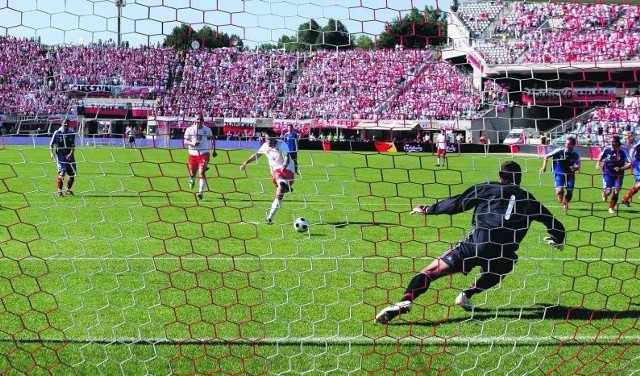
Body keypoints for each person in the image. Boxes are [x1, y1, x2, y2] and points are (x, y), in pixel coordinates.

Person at [375, 161, 566, 324]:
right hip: (504, 252)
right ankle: (468, 294)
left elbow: (458, 204)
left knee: (431, 271)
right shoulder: (530, 200)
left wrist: (427, 209)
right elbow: (551, 220)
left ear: (501, 177)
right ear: (519, 179)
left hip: (477, 243)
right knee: (502, 268)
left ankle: (406, 300)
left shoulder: (488, 187)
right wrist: (558, 237)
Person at [240, 131, 295, 224]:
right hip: (275, 171)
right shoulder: (265, 146)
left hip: (287, 169)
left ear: (275, 138)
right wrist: (245, 162)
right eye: (266, 139)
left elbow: (286, 156)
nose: (268, 141)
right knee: (279, 193)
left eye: (269, 139)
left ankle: (284, 184)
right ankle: (269, 218)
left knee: (280, 182)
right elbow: (257, 155)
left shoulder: (282, 144)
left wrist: (285, 164)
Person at [539, 136, 580, 212]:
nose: (567, 145)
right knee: (559, 191)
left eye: (569, 144)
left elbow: (578, 167)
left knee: (570, 192)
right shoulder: (559, 151)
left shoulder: (576, 155)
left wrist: (575, 168)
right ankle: (560, 194)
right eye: (566, 143)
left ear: (573, 145)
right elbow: (546, 156)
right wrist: (544, 166)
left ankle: (566, 203)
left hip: (570, 175)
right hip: (559, 173)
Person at [183, 114, 216, 200]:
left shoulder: (207, 129)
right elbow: (185, 141)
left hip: (204, 153)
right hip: (192, 154)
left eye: (201, 119)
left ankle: (200, 192)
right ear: (194, 120)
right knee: (193, 173)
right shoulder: (189, 129)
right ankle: (192, 180)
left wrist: (214, 149)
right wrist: (192, 143)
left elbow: (212, 138)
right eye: (198, 119)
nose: (199, 121)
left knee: (201, 172)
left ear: (203, 120)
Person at [595, 135, 629, 214]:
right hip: (608, 173)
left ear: (617, 142)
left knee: (617, 191)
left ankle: (611, 207)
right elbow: (601, 157)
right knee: (608, 192)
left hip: (619, 174)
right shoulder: (607, 149)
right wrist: (598, 163)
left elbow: (630, 163)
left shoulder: (623, 151)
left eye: (613, 142)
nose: (612, 143)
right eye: (611, 142)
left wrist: (621, 168)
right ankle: (604, 192)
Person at [49, 119, 77, 197]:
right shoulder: (57, 133)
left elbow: (73, 145)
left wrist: (71, 154)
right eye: (65, 123)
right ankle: (59, 191)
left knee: (72, 174)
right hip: (60, 155)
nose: (66, 125)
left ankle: (68, 190)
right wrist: (52, 153)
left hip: (70, 155)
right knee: (62, 172)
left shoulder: (71, 132)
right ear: (62, 123)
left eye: (67, 124)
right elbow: (51, 144)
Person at [620, 140, 640, 207]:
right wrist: (631, 160)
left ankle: (625, 199)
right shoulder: (639, 140)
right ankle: (625, 199)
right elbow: (632, 149)